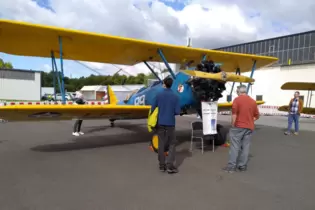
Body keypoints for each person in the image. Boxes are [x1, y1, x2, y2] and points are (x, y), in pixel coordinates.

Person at [222, 85, 260, 173]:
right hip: (249, 127)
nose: (236, 92)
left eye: (237, 91)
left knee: (234, 146)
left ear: (239, 91)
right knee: (245, 147)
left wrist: (232, 125)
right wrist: (250, 120)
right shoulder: (253, 101)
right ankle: (242, 166)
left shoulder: (237, 100)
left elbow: (234, 114)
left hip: (238, 126)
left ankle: (231, 167)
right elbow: (257, 116)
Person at [150, 77, 181, 174]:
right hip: (170, 123)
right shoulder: (175, 96)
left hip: (160, 123)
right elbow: (177, 112)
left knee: (161, 144)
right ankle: (170, 166)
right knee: (172, 144)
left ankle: (161, 166)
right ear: (172, 84)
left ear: (164, 84)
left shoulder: (159, 95)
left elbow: (153, 108)